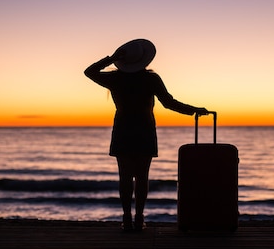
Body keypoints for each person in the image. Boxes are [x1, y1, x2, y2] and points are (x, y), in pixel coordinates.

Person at [85, 39, 208, 231]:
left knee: (125, 177)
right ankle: (139, 218)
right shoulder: (150, 79)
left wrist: (112, 59)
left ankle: (126, 219)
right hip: (144, 130)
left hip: (123, 130)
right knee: (142, 177)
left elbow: (89, 72)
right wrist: (193, 110)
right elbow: (169, 103)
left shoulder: (115, 79)